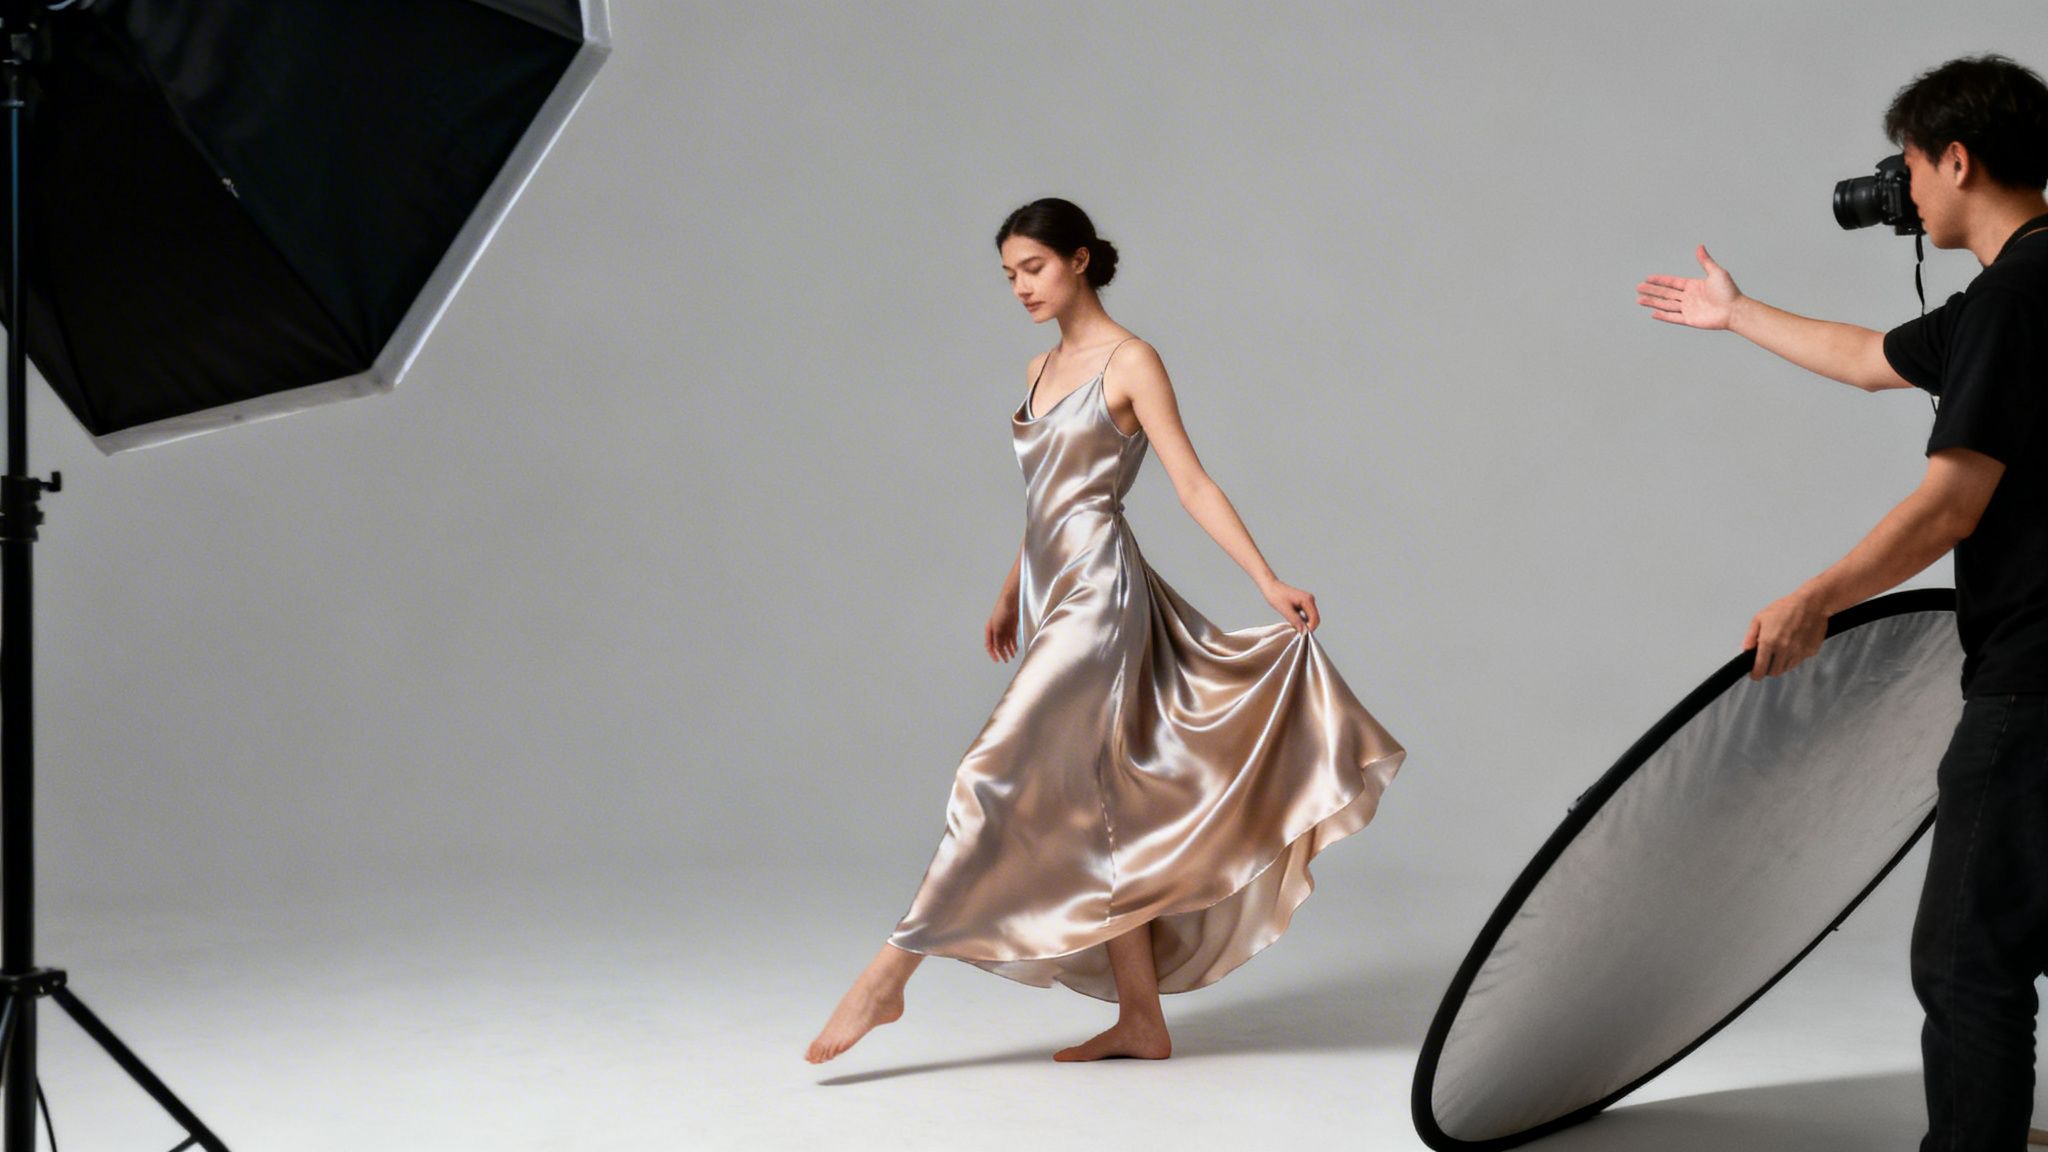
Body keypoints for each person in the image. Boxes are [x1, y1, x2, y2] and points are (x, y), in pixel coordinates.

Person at [805, 197, 1405, 1065]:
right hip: (1052, 590)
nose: (1019, 286)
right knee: (1106, 805)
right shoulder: (1039, 367)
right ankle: (1141, 1018)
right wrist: (1011, 588)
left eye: (1034, 267)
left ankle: (886, 977)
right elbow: (1044, 495)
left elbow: (1191, 483)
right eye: (1008, 273)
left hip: (1100, 597)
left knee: (990, 776)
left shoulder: (1132, 361)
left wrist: (1265, 577)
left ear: (1080, 259)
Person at [1636, 54, 2048, 1152]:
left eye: (1909, 166)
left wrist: (1813, 596)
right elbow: (1872, 357)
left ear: (1954, 159)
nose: (1900, 190)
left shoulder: (2015, 301)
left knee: (1966, 953)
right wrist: (1735, 314)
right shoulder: (2015, 295)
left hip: (2035, 680)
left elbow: (1949, 505)